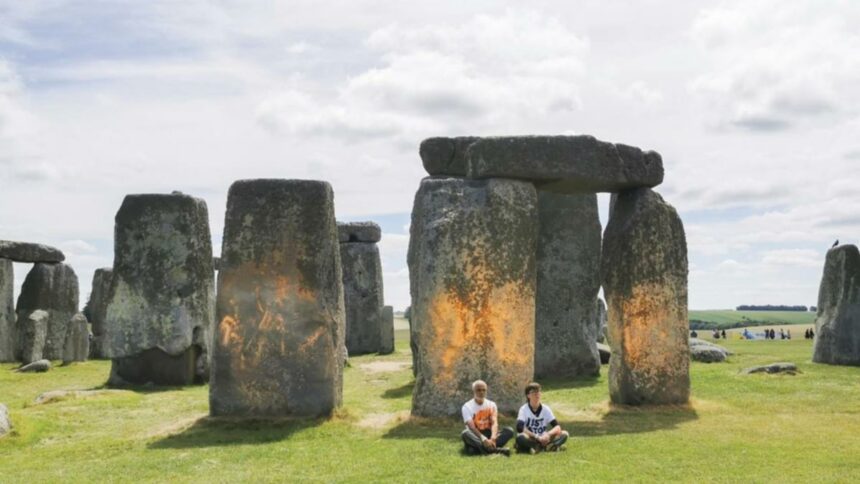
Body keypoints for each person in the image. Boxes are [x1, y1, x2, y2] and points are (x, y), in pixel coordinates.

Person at [461, 380, 514, 456]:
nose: (481, 392)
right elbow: (471, 427)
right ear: (473, 391)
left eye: (484, 390)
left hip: (489, 433)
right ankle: (495, 451)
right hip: (476, 435)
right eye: (478, 390)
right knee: (465, 433)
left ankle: (479, 449)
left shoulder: (492, 404)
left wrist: (493, 438)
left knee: (509, 431)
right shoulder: (466, 407)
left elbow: (494, 423)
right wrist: (484, 439)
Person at [515, 382, 569, 454]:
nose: (537, 394)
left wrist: (548, 434)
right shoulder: (524, 409)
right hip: (532, 437)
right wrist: (536, 437)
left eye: (538, 391)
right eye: (533, 392)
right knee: (520, 437)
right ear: (528, 395)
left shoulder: (545, 408)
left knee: (565, 433)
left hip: (544, 437)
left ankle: (548, 446)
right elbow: (519, 427)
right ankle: (539, 446)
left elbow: (557, 427)